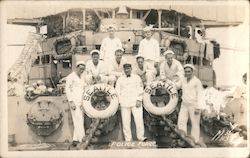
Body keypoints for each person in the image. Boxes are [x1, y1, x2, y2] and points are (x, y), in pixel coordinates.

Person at [115, 61, 147, 142]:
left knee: (139, 120)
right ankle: (128, 139)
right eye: (125, 69)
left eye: (128, 68)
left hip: (135, 102)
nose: (127, 70)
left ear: (131, 69)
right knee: (126, 122)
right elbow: (117, 91)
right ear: (124, 70)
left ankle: (141, 137)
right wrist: (119, 102)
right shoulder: (120, 79)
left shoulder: (137, 78)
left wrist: (139, 99)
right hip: (124, 103)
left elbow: (141, 89)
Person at [176, 64, 204, 143]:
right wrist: (168, 81)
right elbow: (177, 86)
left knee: (195, 123)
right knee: (181, 121)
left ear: (192, 72)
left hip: (194, 105)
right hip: (184, 104)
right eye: (185, 72)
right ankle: (182, 138)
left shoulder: (197, 82)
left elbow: (200, 95)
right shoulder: (183, 80)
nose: (187, 73)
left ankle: (195, 140)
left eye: (189, 71)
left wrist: (198, 107)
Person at [65, 61, 87, 147]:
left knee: (79, 120)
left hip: (81, 102)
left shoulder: (82, 77)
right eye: (80, 69)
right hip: (74, 102)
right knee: (78, 120)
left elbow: (84, 87)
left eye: (83, 69)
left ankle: (75, 139)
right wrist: (71, 101)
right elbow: (67, 89)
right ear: (77, 67)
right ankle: (82, 140)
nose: (82, 70)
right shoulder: (70, 77)